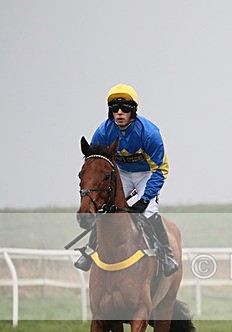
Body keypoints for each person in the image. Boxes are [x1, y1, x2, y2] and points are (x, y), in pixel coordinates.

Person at [74, 84, 178, 276]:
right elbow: (96, 165)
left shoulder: (149, 133)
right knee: (104, 209)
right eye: (115, 109)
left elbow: (161, 169)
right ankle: (89, 250)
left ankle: (166, 254)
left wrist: (145, 199)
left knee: (149, 211)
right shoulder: (103, 132)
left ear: (133, 111)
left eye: (125, 109)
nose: (120, 113)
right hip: (120, 172)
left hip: (146, 174)